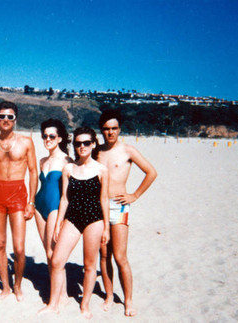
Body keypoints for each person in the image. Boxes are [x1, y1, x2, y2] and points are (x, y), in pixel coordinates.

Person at [38, 127, 110, 319]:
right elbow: (64, 200)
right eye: (78, 143)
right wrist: (59, 223)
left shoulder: (101, 170)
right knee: (57, 260)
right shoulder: (69, 168)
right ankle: (53, 304)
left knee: (89, 265)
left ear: (93, 144)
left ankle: (85, 305)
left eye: (86, 143)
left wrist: (107, 229)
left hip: (94, 220)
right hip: (73, 218)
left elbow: (104, 200)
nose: (82, 147)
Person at [97, 109, 157, 316]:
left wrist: (135, 195)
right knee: (104, 255)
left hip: (120, 206)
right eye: (106, 129)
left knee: (120, 256)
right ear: (101, 130)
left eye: (114, 128)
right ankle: (109, 295)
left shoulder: (128, 151)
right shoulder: (97, 151)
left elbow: (151, 172)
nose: (110, 132)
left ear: (119, 129)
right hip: (99, 207)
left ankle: (128, 300)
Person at [0, 101, 38, 301]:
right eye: (2, 116)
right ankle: (5, 287)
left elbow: (33, 172)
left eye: (10, 117)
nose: (6, 120)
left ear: (16, 120)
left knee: (19, 247)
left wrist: (31, 202)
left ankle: (18, 285)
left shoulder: (26, 142)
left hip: (18, 193)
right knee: (0, 244)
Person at [34, 119, 72, 304]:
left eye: (51, 136)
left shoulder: (67, 161)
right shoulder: (42, 161)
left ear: (59, 138)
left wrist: (63, 218)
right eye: (45, 136)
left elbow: (69, 193)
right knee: (47, 253)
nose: (47, 139)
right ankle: (57, 291)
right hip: (39, 206)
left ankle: (62, 295)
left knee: (54, 254)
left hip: (55, 208)